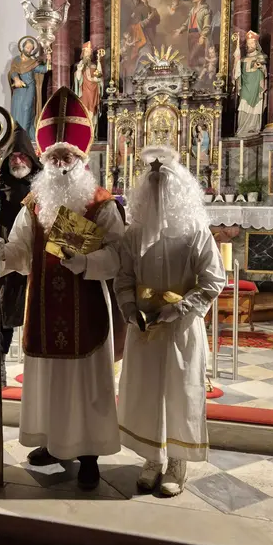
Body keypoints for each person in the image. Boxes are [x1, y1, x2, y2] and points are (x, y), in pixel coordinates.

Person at [0, 87, 124, 490]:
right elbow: (19, 250)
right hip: (44, 305)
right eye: (54, 158)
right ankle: (52, 442)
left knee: (85, 384)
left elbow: (120, 255)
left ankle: (89, 454)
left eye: (68, 157)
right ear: (44, 161)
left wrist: (86, 263)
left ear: (82, 160)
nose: (61, 164)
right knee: (49, 380)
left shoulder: (101, 204)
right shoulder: (34, 204)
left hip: (88, 305)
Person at [115, 145, 225, 496]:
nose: (158, 192)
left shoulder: (194, 230)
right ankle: (152, 458)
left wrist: (178, 309)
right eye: (152, 186)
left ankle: (177, 461)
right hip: (144, 327)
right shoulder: (134, 233)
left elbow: (213, 280)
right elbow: (124, 276)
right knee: (146, 392)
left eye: (164, 185)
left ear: (180, 189)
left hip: (180, 327)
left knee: (180, 393)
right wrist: (129, 308)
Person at [0, 124, 42, 386]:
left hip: (37, 254)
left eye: (22, 156)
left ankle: (38, 365)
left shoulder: (42, 185)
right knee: (5, 309)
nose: (18, 161)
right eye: (13, 156)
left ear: (31, 158)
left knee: (39, 310)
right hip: (7, 255)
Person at [9, 37, 48, 140]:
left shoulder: (33, 62)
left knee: (27, 108)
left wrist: (49, 59)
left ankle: (25, 135)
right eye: (27, 47)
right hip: (19, 89)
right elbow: (13, 70)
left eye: (30, 48)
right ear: (23, 47)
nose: (28, 50)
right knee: (17, 108)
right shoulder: (17, 60)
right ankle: (16, 134)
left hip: (29, 87)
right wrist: (17, 79)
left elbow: (43, 69)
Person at [233, 31, 267, 138]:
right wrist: (237, 61)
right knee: (243, 104)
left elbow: (264, 71)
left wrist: (260, 67)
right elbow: (239, 72)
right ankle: (242, 128)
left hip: (256, 86)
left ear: (256, 44)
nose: (250, 45)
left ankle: (254, 127)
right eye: (248, 43)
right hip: (245, 86)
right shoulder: (243, 59)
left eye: (252, 43)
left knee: (256, 106)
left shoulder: (261, 57)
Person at [174, 0, 212, 69]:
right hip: (190, 35)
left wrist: (203, 36)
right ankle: (196, 73)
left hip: (198, 35)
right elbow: (187, 22)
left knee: (194, 56)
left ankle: (202, 70)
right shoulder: (192, 10)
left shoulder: (205, 10)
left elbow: (207, 26)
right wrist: (180, 30)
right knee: (194, 57)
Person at [74, 42, 104, 127]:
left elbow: (99, 76)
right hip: (84, 91)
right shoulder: (80, 65)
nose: (88, 54)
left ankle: (92, 129)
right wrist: (79, 70)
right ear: (83, 53)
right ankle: (85, 129)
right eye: (86, 52)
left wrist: (97, 79)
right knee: (84, 110)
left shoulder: (94, 65)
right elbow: (78, 78)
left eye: (89, 52)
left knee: (93, 111)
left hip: (94, 91)